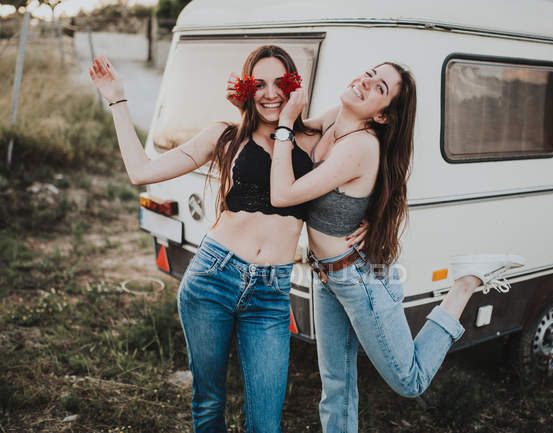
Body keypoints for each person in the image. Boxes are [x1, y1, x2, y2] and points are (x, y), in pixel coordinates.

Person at [88, 45, 357, 433]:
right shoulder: (226, 136)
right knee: (209, 402)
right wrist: (117, 99)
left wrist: (367, 218)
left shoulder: (313, 138)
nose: (271, 93)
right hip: (213, 277)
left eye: (281, 83)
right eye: (259, 83)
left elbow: (366, 120)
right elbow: (140, 171)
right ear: (246, 89)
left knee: (266, 423)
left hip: (271, 291)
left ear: (296, 85)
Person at [266, 62, 525, 433]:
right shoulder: (337, 119)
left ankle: (465, 281)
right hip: (327, 277)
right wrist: (270, 104)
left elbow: (283, 193)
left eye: (379, 87)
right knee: (335, 387)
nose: (366, 81)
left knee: (411, 380)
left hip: (358, 280)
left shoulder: (360, 144)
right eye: (369, 73)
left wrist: (286, 123)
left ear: (383, 115)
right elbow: (291, 134)